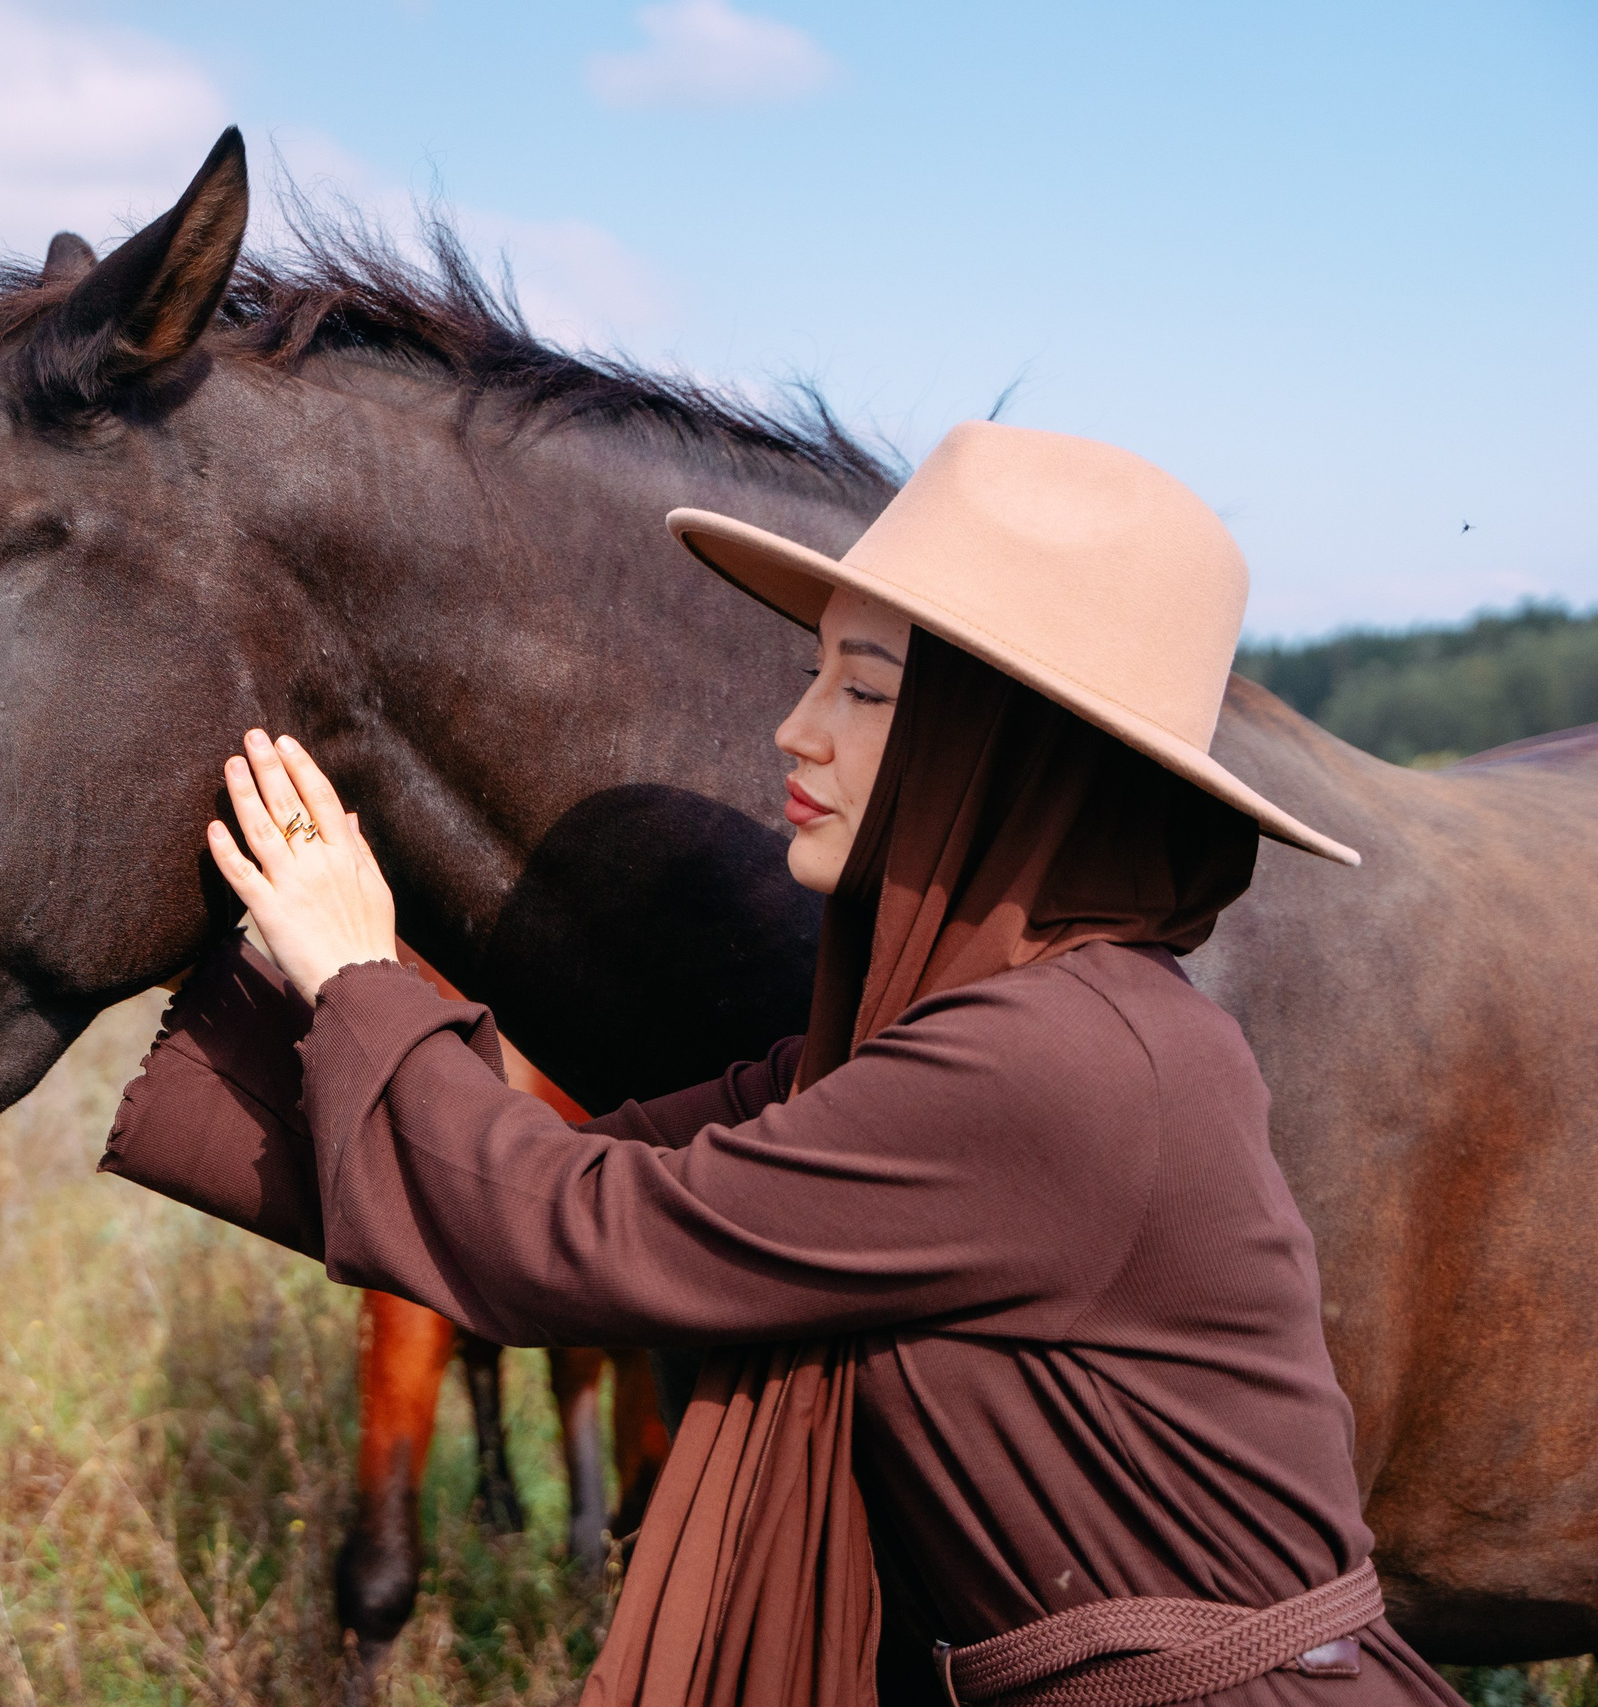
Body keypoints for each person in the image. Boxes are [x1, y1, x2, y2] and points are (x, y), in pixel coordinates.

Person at [100, 422, 1458, 1705]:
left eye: (863, 690)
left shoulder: (1059, 1064)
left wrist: (358, 975)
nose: (794, 729)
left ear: (1003, 757)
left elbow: (585, 1237)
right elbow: (598, 1170)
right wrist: (235, 982)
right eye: (816, 673)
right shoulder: (963, 1037)